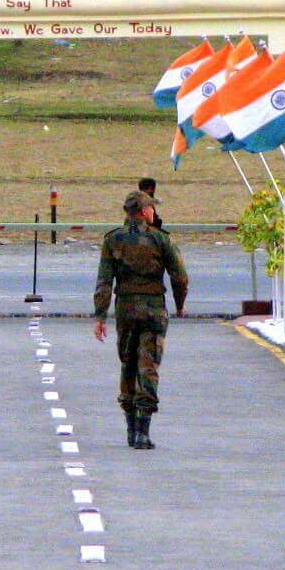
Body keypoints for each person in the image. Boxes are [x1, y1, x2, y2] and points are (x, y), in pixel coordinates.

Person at [94, 190, 188, 449]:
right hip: (153, 312)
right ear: (146, 211)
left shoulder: (113, 240)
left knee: (128, 363)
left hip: (125, 311)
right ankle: (142, 431)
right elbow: (179, 276)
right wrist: (180, 304)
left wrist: (100, 316)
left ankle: (130, 427)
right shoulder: (160, 240)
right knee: (148, 367)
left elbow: (104, 281)